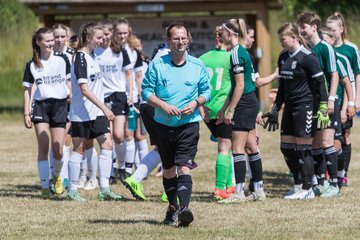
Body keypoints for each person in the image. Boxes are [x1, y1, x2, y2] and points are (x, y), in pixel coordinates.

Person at [142, 21, 211, 227]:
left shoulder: (197, 65)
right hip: (163, 125)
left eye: (183, 38)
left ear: (188, 40)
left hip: (188, 125)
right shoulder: (157, 64)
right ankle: (172, 208)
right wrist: (162, 105)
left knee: (184, 166)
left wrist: (196, 102)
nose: (180, 42)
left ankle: (184, 209)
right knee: (169, 169)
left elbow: (207, 91)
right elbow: (146, 92)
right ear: (168, 41)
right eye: (176, 38)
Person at [262, 22, 329, 200]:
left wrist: (323, 107)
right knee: (286, 148)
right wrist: (276, 108)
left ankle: (308, 188)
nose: (280, 42)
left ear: (294, 38)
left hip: (305, 106)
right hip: (290, 107)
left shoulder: (308, 57)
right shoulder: (283, 57)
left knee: (303, 147)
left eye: (282, 39)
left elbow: (321, 83)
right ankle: (299, 184)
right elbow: (282, 86)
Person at [67, 22, 122, 202]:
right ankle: (72, 190)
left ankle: (104, 188)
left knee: (107, 145)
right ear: (88, 37)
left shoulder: (92, 56)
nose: (102, 40)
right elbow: (84, 89)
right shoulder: (80, 57)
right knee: (79, 149)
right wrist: (105, 108)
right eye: (98, 37)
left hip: (96, 112)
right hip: (82, 112)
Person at [214, 18, 266, 204]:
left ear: (230, 34)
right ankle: (258, 190)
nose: (220, 36)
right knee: (251, 146)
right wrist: (223, 109)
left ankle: (238, 192)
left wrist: (231, 110)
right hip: (250, 101)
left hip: (244, 103)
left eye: (222, 32)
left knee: (237, 149)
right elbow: (236, 85)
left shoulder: (235, 53)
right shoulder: (240, 51)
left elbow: (240, 85)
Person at [22, 27, 70, 198]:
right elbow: (27, 90)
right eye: (48, 40)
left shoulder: (63, 59)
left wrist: (69, 96)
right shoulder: (31, 64)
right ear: (38, 42)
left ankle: (57, 177)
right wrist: (27, 112)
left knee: (58, 149)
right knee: (43, 145)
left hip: (59, 105)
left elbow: (68, 81)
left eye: (52, 40)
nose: (52, 43)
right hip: (41, 106)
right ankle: (44, 185)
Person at [297, 11, 341, 198]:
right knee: (315, 143)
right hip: (312, 103)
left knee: (326, 142)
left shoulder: (325, 48)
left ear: (314, 27)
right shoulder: (306, 50)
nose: (301, 31)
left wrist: (330, 99)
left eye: (304, 27)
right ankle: (321, 182)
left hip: (328, 102)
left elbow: (335, 75)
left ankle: (335, 184)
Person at [94, 19, 134, 189]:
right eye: (101, 35)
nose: (104, 38)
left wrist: (130, 93)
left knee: (119, 135)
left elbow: (129, 73)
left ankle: (122, 166)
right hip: (100, 97)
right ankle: (109, 173)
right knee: (106, 137)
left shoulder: (120, 51)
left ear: (112, 34)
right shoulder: (94, 52)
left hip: (118, 96)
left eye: (107, 34)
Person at [199, 26, 234, 201]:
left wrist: (201, 106)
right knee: (225, 147)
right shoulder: (230, 58)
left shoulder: (202, 58)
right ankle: (220, 188)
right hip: (224, 109)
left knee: (223, 146)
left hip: (207, 109)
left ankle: (230, 185)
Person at [111, 18, 147, 181]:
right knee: (114, 134)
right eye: (119, 33)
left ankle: (127, 168)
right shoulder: (109, 50)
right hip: (114, 96)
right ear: (113, 33)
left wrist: (138, 95)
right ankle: (115, 167)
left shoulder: (133, 51)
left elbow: (138, 75)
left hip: (131, 98)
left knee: (129, 133)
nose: (122, 36)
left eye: (125, 33)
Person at [320, 26, 356, 188]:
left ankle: (340, 175)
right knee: (325, 143)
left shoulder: (339, 58)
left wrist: (347, 106)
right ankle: (326, 177)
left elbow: (348, 82)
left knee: (336, 144)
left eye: (325, 39)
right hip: (321, 108)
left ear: (332, 40)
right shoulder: (317, 56)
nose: (322, 42)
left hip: (336, 106)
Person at [327, 12, 360, 186]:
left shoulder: (350, 49)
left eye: (333, 29)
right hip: (331, 101)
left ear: (341, 29)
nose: (330, 32)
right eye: (328, 29)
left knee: (345, 135)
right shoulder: (326, 48)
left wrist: (355, 100)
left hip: (347, 99)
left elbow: (356, 75)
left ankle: (343, 173)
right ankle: (329, 171)